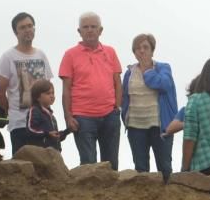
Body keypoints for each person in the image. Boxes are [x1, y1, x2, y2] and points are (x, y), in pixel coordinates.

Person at [59, 12, 122, 168]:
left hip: (110, 115)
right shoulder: (70, 55)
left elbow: (117, 82)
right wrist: (68, 116)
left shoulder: (111, 52)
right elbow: (66, 89)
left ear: (100, 30)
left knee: (111, 164)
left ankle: (111, 193)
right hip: (82, 118)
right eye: (85, 27)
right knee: (88, 165)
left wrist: (117, 108)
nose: (90, 30)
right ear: (79, 31)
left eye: (93, 27)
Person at [120, 33, 178, 182]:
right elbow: (124, 96)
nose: (142, 51)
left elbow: (163, 85)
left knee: (164, 167)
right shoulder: (129, 73)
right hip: (135, 125)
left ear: (152, 50)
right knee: (140, 169)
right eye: (138, 48)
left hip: (160, 125)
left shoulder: (163, 68)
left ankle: (168, 199)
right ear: (134, 52)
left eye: (145, 47)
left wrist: (147, 70)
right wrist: (124, 118)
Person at [0, 12, 54, 155]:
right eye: (22, 27)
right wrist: (10, 111)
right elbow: (0, 91)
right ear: (16, 32)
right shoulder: (8, 56)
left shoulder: (41, 55)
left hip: (42, 123)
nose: (27, 30)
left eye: (30, 26)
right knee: (22, 165)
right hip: (19, 123)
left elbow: (48, 87)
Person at [24, 79, 65, 151]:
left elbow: (53, 136)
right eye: (48, 93)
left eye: (53, 93)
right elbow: (31, 129)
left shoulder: (52, 116)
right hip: (40, 153)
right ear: (37, 97)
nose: (52, 96)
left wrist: (65, 133)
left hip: (54, 153)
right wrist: (47, 134)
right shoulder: (35, 110)